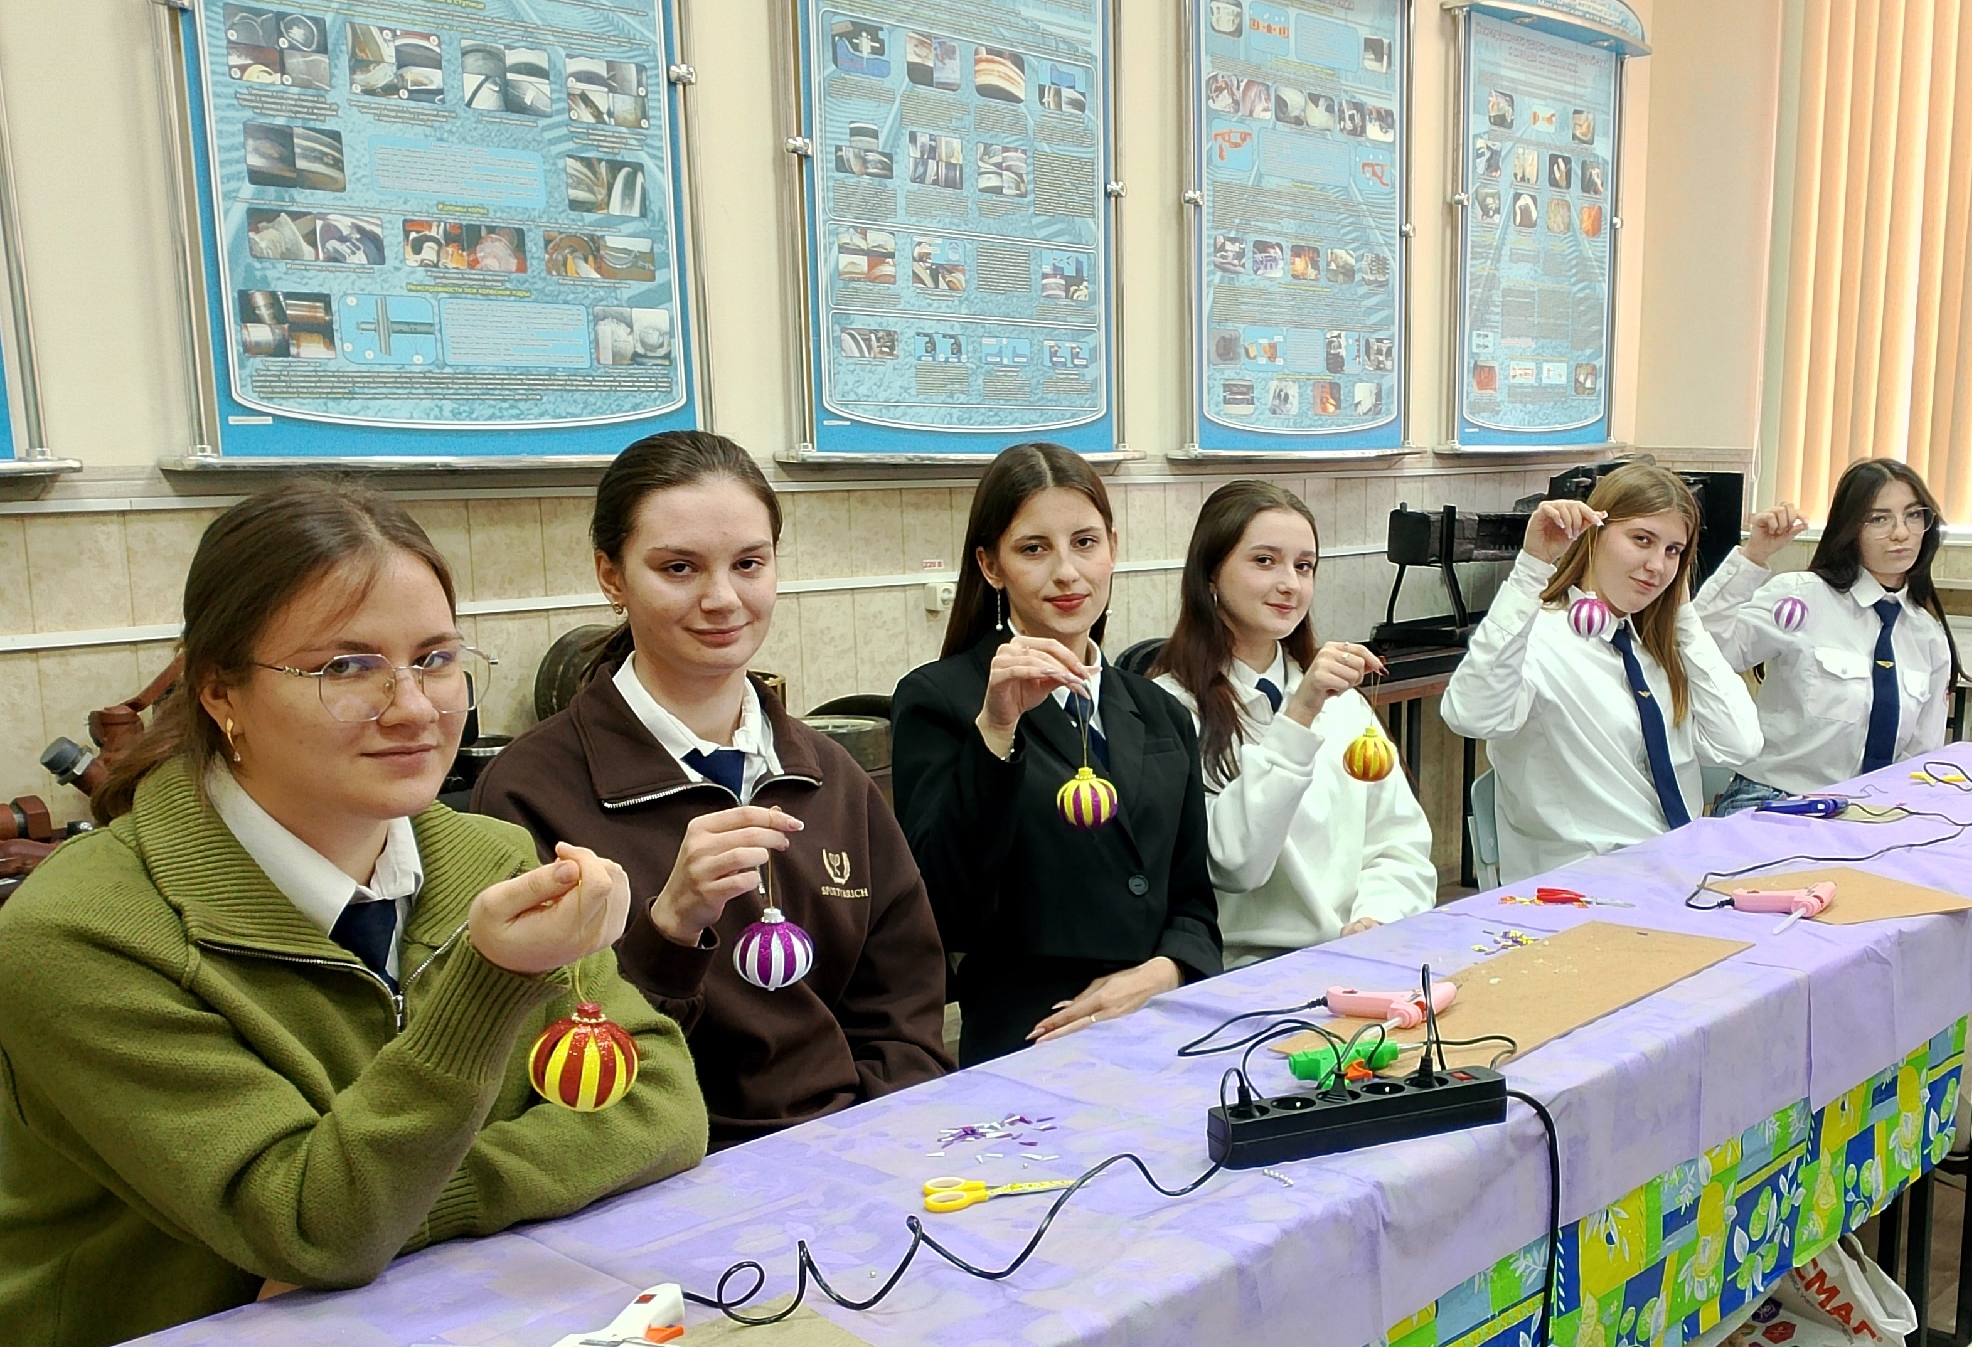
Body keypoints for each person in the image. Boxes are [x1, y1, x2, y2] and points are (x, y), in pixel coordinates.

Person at [0, 481, 706, 1347]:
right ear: (219, 691)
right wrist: (492, 978)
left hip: (419, 1338)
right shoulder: (80, 933)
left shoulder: (488, 857)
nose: (413, 707)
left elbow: (660, 1103)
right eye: (344, 667)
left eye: (436, 658)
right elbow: (311, 1226)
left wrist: (428, 1204)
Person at [474, 431, 951, 1146]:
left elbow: (905, 1012)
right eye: (679, 567)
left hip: (851, 1145)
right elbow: (548, 1069)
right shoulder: (529, 793)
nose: (723, 599)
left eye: (749, 564)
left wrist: (873, 1144)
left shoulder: (833, 776)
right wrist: (669, 926)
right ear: (612, 576)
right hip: (656, 1168)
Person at [893, 443, 1220, 1062]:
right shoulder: (940, 699)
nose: (1067, 572)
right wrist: (997, 729)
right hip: (1031, 1035)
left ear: (1113, 548)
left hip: (1162, 1018)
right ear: (991, 566)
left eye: (1085, 543)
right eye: (1034, 549)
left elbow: (1193, 903)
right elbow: (943, 908)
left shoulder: (1159, 711)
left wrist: (1165, 971)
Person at [1147, 480, 1438, 962]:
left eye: (1304, 566)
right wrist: (1300, 713)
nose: (1290, 584)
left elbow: (1399, 841)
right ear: (1211, 574)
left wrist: (1378, 917)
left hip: (1360, 952)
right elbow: (1236, 865)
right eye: (1265, 561)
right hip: (1245, 970)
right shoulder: (1170, 709)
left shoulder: (1343, 704)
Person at [1440, 462, 1762, 880]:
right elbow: (1470, 715)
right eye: (1642, 540)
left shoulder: (1651, 650)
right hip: (1582, 886)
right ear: (1594, 534)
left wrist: (1684, 618)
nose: (1657, 565)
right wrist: (1532, 568)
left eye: (1673, 551)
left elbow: (1741, 744)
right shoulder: (1536, 636)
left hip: (1674, 872)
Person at [1692, 458, 1961, 814]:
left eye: (1913, 515)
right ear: (1850, 528)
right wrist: (1753, 556)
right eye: (1879, 519)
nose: (1901, 533)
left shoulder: (1927, 636)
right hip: (1777, 800)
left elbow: (1920, 757)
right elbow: (1703, 649)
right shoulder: (1802, 596)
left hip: (1868, 812)